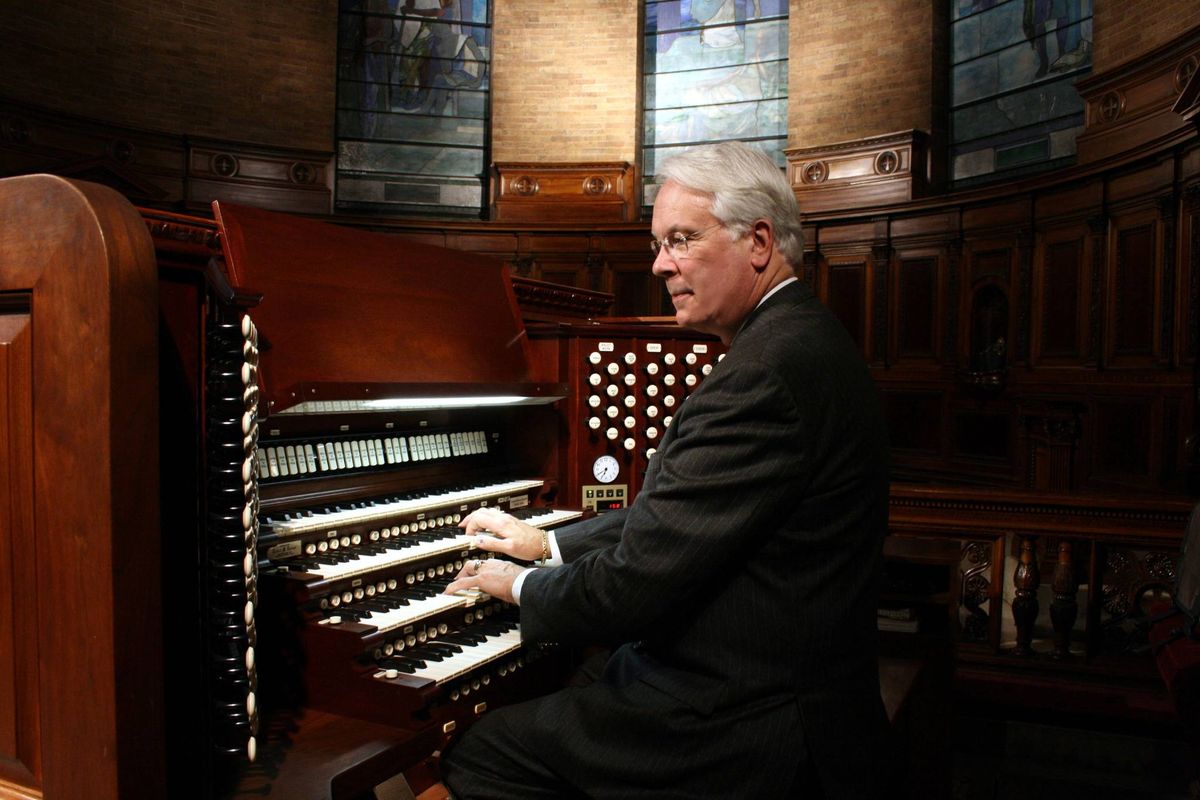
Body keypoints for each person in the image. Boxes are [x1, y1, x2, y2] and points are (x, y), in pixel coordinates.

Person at [441, 140, 891, 798]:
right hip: (779, 677)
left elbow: (631, 591)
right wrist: (550, 542)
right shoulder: (803, 337)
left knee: (481, 751)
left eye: (680, 240)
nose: (660, 265)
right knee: (586, 679)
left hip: (744, 719)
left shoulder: (763, 375)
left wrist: (517, 587)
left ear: (759, 242)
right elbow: (682, 517)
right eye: (659, 244)